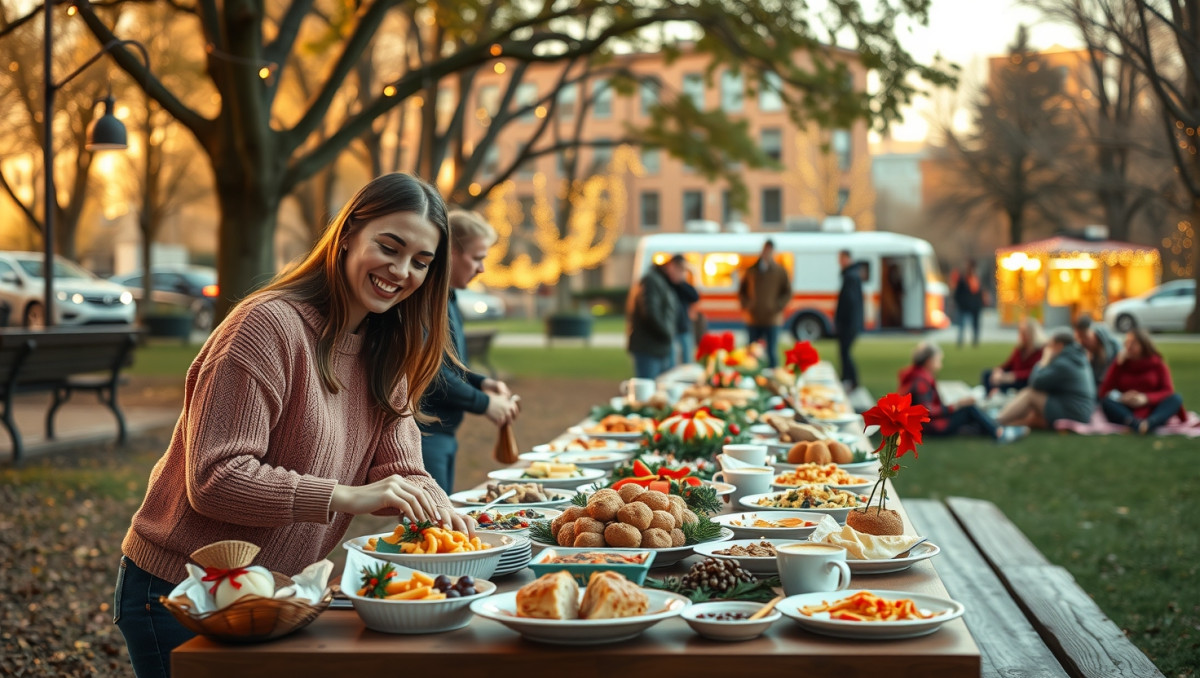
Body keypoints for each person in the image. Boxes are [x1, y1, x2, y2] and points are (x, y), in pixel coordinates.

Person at [113, 174, 474, 678]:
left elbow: (403, 468)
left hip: (280, 591)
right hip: (183, 590)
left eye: (420, 261)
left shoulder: (384, 348)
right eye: (389, 248)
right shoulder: (267, 327)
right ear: (348, 233)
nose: (401, 271)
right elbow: (216, 479)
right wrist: (345, 496)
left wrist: (451, 521)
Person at [419, 210, 520, 493]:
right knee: (431, 525)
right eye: (477, 258)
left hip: (443, 432)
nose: (482, 268)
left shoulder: (448, 299)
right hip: (425, 434)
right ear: (449, 251)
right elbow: (430, 374)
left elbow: (449, 363)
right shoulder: (425, 302)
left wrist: (481, 382)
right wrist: (485, 403)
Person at [899, 341, 1027, 442]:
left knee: (970, 413)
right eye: (938, 360)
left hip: (925, 425)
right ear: (929, 361)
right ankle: (999, 433)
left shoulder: (916, 375)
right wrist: (956, 405)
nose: (940, 365)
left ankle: (998, 429)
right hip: (931, 427)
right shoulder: (921, 380)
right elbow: (928, 411)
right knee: (968, 408)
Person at [996, 329, 1096, 429]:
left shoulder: (1064, 363)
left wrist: (1043, 361)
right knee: (1033, 416)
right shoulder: (1075, 357)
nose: (1047, 349)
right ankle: (1002, 424)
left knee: (1030, 394)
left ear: (1059, 346)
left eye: (1050, 345)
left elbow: (1035, 382)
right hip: (1080, 411)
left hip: (1074, 412)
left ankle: (998, 421)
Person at [1098, 328, 1185, 434]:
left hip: (1152, 408)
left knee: (1176, 398)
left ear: (1143, 345)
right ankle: (1137, 424)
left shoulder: (1157, 363)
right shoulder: (1120, 363)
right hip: (1127, 409)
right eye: (1127, 343)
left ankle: (1149, 423)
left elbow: (1167, 391)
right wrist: (1122, 397)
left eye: (1133, 343)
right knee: (1107, 402)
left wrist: (1146, 398)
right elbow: (1104, 391)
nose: (1128, 347)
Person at [627, 254, 686, 378]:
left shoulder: (662, 281)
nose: (682, 275)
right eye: (680, 270)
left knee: (660, 389)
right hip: (649, 347)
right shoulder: (652, 280)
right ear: (670, 266)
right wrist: (668, 334)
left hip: (658, 346)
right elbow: (651, 313)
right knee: (648, 389)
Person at [738, 239, 791, 368]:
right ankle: (753, 377)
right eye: (765, 250)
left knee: (771, 351)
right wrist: (747, 304)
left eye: (770, 250)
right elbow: (742, 291)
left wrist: (778, 306)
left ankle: (773, 378)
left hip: (772, 318)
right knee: (752, 352)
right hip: (753, 317)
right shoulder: (752, 270)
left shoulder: (779, 271)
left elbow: (787, 292)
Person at [982, 318, 1046, 395]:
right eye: (1021, 332)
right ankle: (990, 396)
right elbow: (1008, 364)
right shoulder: (1020, 348)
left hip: (1024, 380)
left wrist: (1014, 376)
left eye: (1025, 332)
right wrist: (998, 371)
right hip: (1012, 376)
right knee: (988, 374)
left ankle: (998, 394)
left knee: (1009, 383)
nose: (1022, 335)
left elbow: (1036, 371)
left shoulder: (1041, 350)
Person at [834, 249, 865, 391]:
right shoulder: (852, 275)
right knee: (844, 351)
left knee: (845, 351)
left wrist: (842, 320)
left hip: (848, 322)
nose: (839, 262)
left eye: (841, 259)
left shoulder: (850, 277)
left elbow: (849, 302)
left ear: (847, 258)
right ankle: (847, 377)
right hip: (850, 322)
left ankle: (851, 379)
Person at [1074, 314, 1121, 389]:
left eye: (1085, 337)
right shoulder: (1085, 352)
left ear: (1096, 333)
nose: (1082, 342)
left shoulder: (1114, 347)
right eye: (1079, 338)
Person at [953, 260, 986, 348]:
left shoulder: (976, 279)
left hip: (975, 306)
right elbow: (957, 293)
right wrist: (960, 303)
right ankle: (960, 342)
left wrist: (980, 302)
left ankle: (975, 342)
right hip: (964, 306)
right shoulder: (963, 279)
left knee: (975, 325)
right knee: (962, 325)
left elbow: (979, 292)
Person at [671, 270, 700, 367]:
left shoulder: (682, 286)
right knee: (672, 360)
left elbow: (695, 296)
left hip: (683, 325)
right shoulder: (668, 285)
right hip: (672, 328)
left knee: (687, 359)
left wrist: (681, 283)